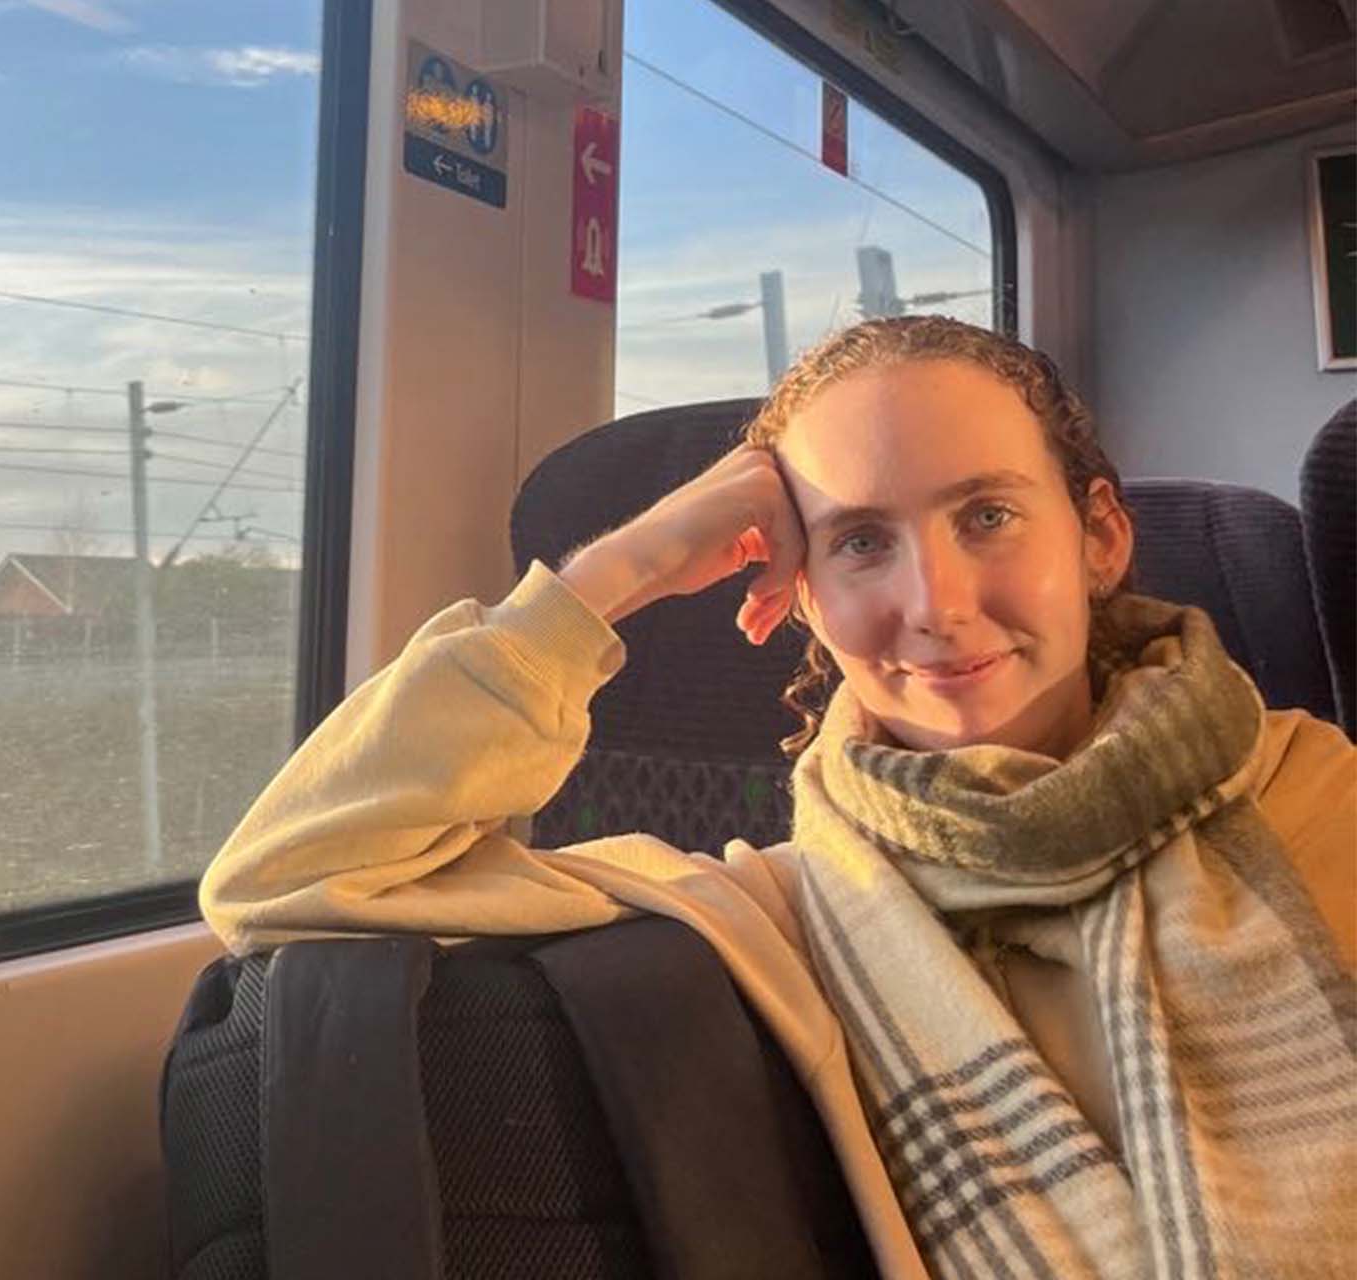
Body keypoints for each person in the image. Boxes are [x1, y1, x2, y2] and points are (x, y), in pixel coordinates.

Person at [198, 316, 1356, 1278]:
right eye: (859, 542)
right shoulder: (778, 913)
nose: (935, 602)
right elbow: (283, 875)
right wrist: (630, 562)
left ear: (1099, 534)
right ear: (797, 592)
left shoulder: (1321, 793)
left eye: (988, 515)